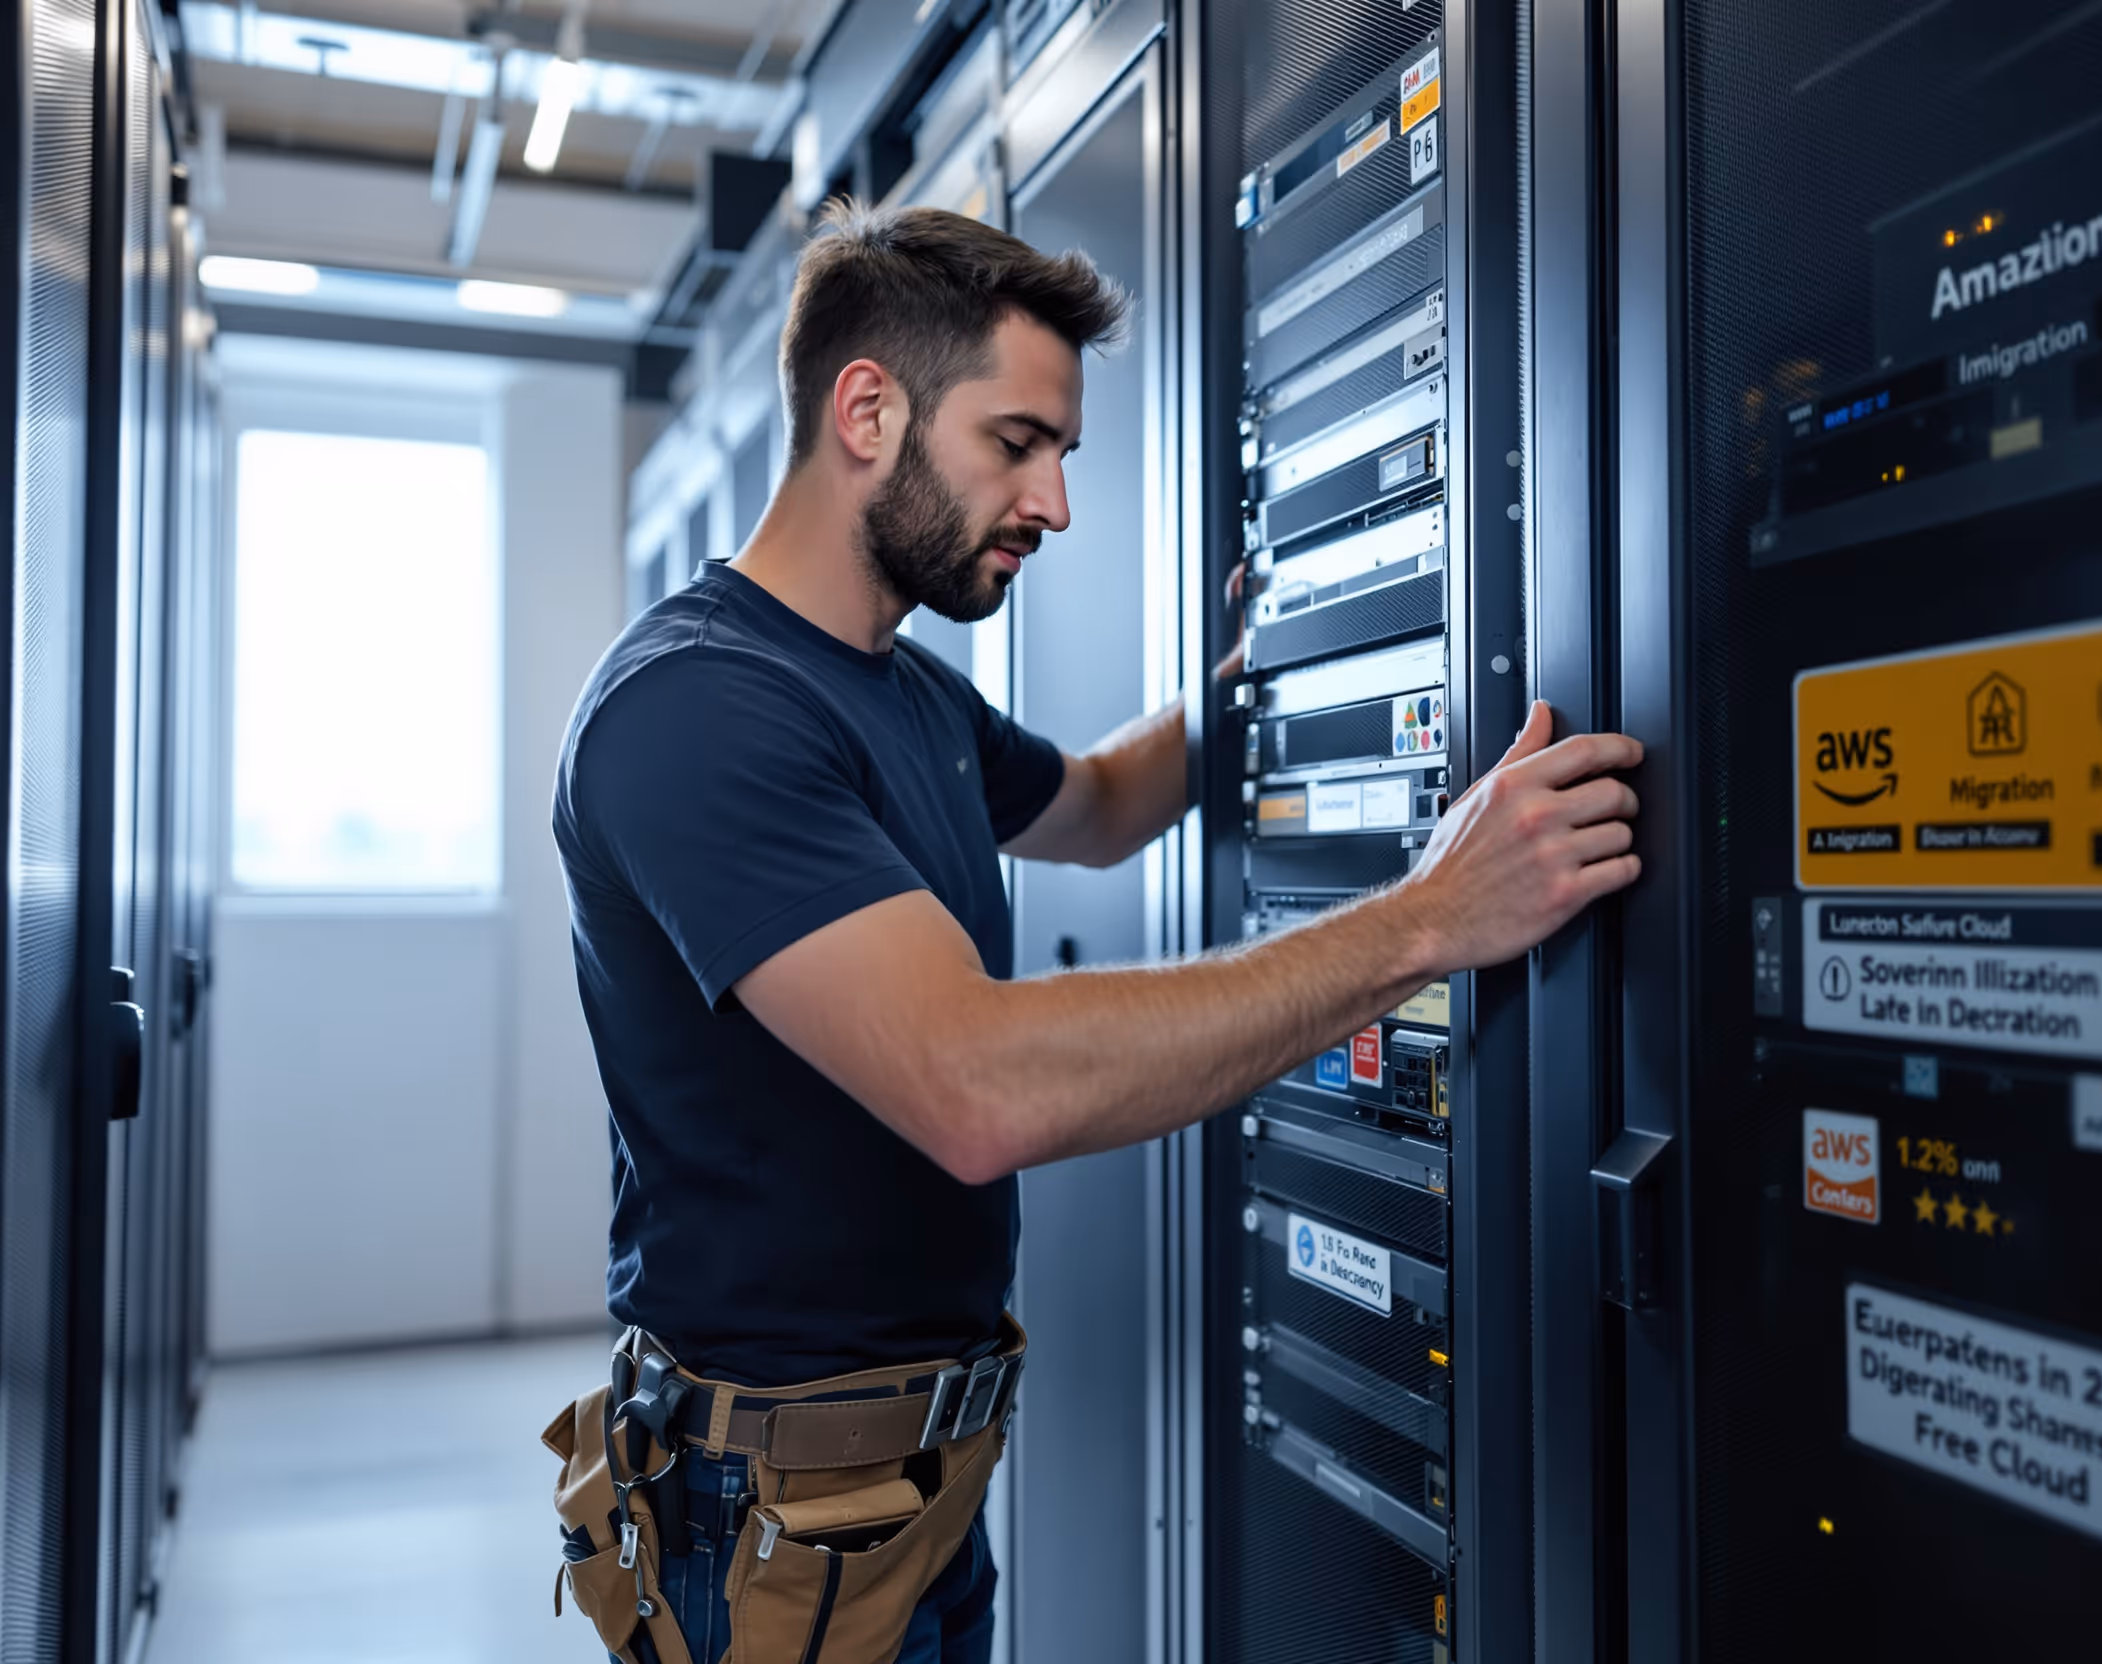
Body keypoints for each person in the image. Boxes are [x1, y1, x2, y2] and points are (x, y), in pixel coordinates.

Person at [548, 200, 1642, 1664]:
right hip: (768, 1524)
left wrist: (1296, 645)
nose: (1054, 504)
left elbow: (1107, 801)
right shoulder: (695, 710)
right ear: (866, 409)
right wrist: (1433, 920)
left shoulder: (904, 691)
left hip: (923, 1483)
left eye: (1063, 456)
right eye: (1017, 444)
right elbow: (975, 1086)